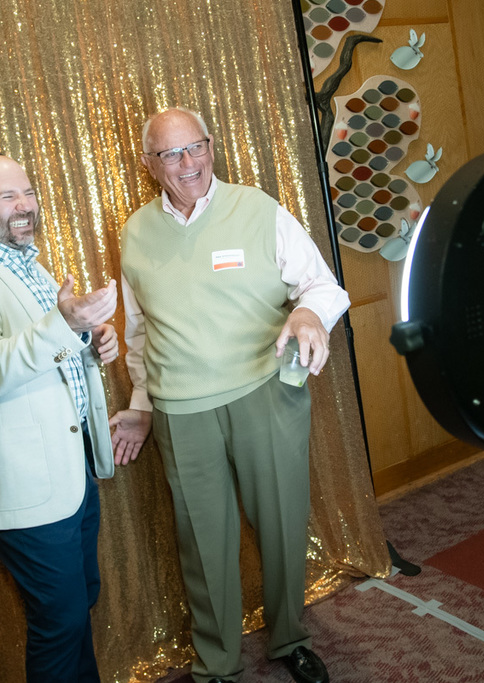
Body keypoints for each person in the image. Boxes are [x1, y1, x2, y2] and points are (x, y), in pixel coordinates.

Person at [109, 108, 350, 683]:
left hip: (265, 393)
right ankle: (217, 662)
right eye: (172, 154)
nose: (189, 163)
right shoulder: (135, 233)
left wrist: (311, 315)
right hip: (180, 410)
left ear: (211, 146)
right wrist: (141, 408)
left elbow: (322, 285)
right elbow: (139, 333)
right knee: (202, 541)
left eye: (197, 147)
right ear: (150, 164)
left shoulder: (259, 209)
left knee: (283, 520)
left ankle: (289, 635)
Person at [0, 153, 119, 683]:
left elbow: (43, 357)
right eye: (7, 196)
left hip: (70, 469)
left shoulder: (31, 263)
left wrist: (89, 341)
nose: (24, 206)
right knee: (58, 622)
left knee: (80, 602)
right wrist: (65, 324)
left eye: (28, 192)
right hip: (27, 484)